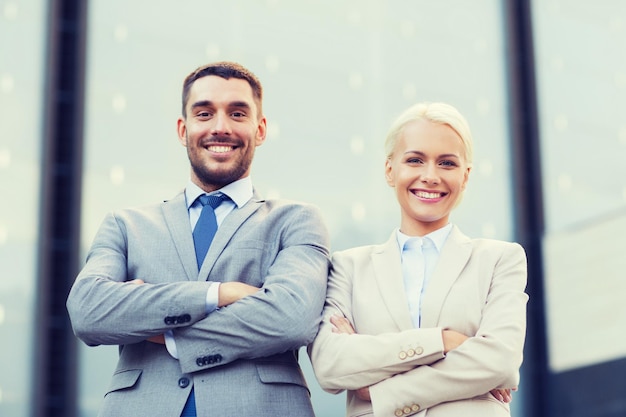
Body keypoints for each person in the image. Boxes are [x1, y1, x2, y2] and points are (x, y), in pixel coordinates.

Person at [67, 61, 330, 417]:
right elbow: (88, 310)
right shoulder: (126, 224)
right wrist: (219, 294)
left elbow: (290, 319)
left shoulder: (296, 220)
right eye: (204, 113)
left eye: (237, 113)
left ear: (261, 128)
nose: (220, 128)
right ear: (183, 128)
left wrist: (165, 332)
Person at [308, 102, 528, 417]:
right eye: (414, 160)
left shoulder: (500, 259)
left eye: (447, 164)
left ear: (465, 176)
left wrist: (380, 390)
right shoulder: (348, 267)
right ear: (390, 170)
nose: (430, 176)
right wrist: (445, 341)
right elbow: (331, 366)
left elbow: (501, 362)